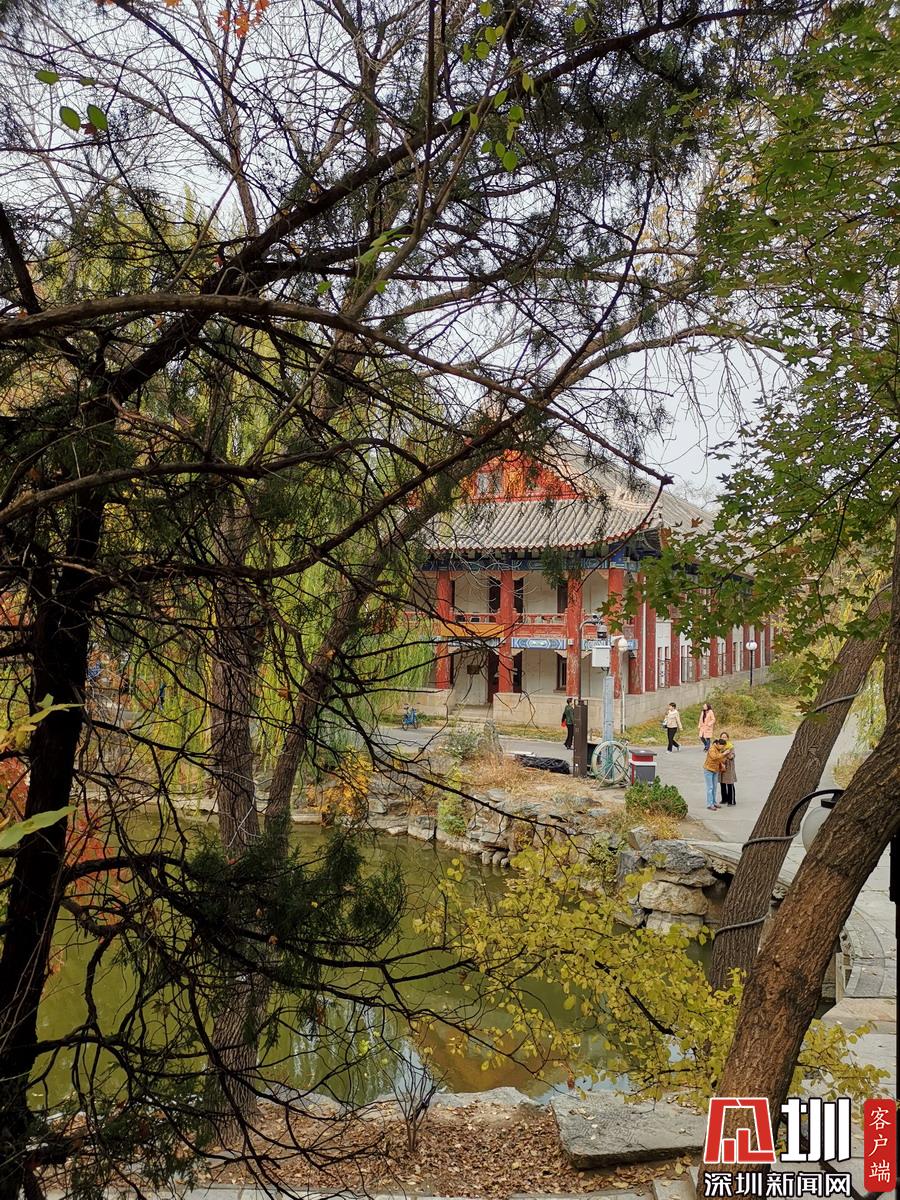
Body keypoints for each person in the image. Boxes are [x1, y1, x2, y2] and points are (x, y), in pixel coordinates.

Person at [703, 736, 729, 810]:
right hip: (708, 770)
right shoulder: (712, 749)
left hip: (715, 770)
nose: (722, 748)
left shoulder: (718, 749)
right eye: (722, 746)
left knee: (714, 787)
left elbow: (719, 759)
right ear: (718, 744)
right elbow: (714, 757)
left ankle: (714, 802)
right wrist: (724, 753)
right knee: (710, 787)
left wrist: (722, 764)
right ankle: (709, 804)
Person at [719, 732, 736, 806]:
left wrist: (727, 753)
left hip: (729, 767)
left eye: (725, 737)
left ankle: (731, 801)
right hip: (721, 767)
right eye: (722, 737)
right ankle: (724, 799)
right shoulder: (719, 746)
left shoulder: (730, 746)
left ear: (728, 738)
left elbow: (732, 756)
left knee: (729, 783)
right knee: (722, 783)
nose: (723, 738)